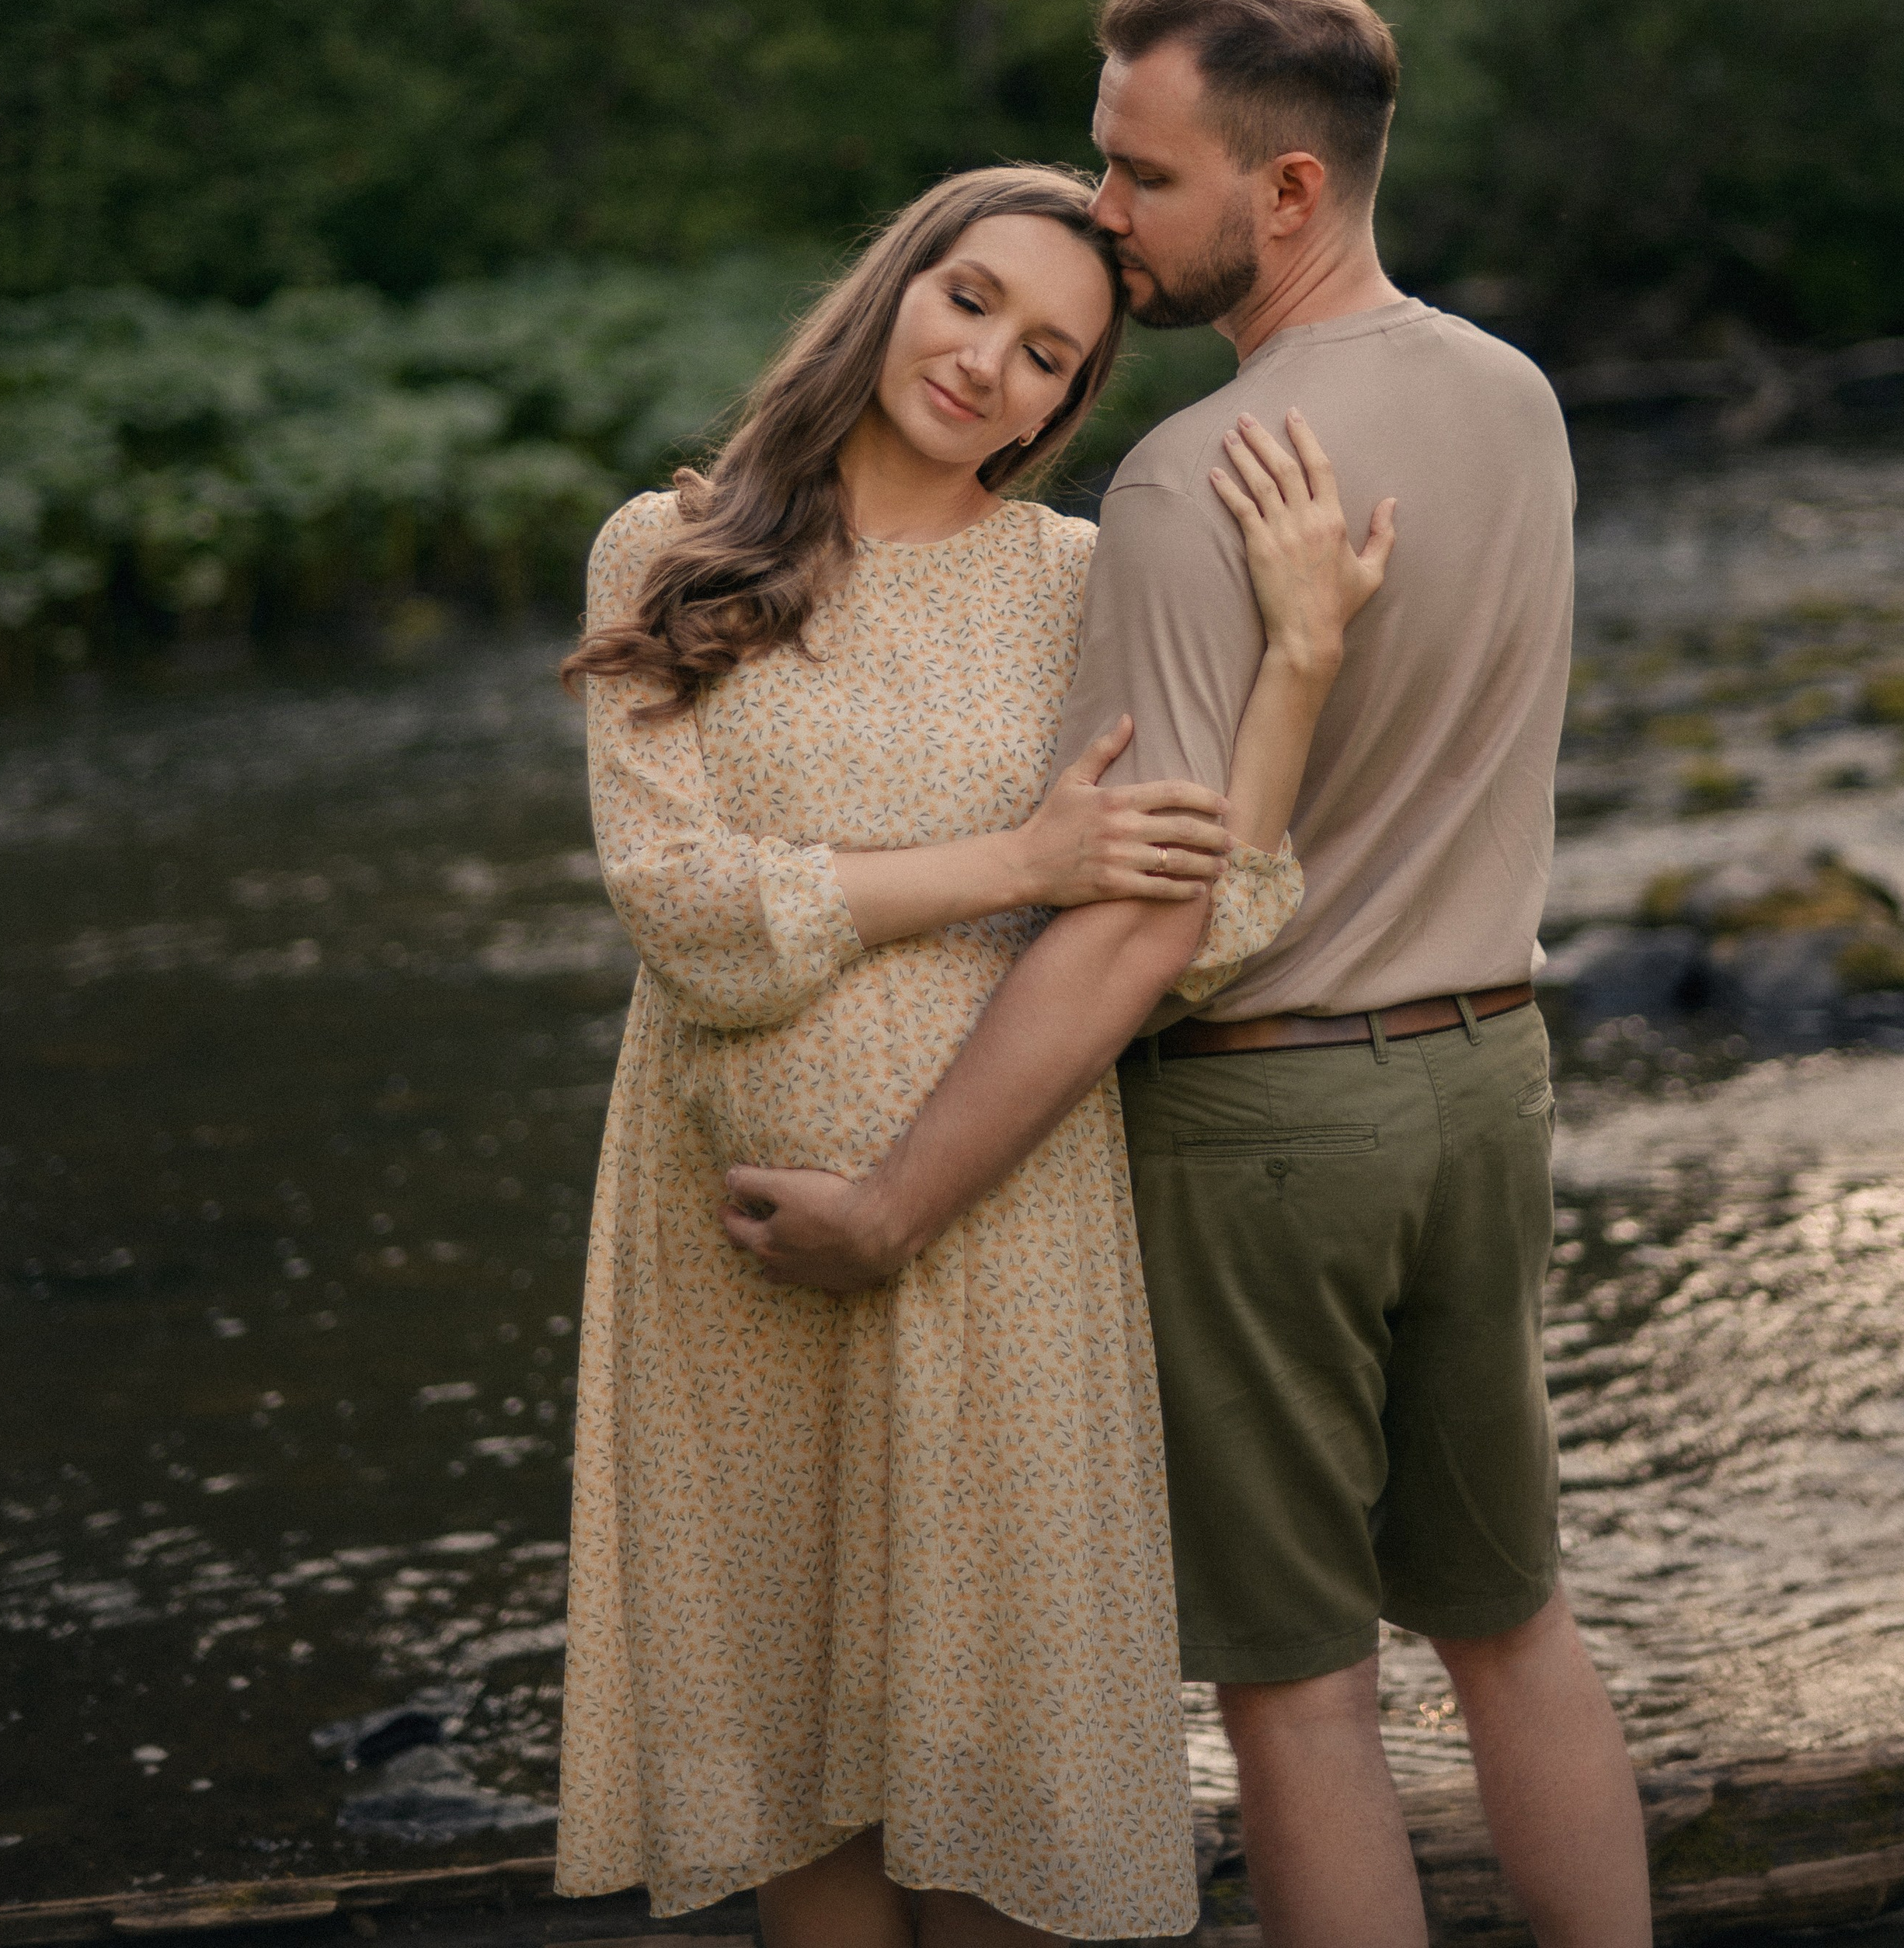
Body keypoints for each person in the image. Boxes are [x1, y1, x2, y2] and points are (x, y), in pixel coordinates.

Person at [725, 0, 1655, 1948]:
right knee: (1511, 1625)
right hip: (1486, 1077)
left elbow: (1138, 921)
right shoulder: (1509, 394)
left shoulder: (1180, 487)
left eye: (1141, 178)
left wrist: (892, 1203)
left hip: (1267, 1131)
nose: (1103, 218)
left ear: (1289, 191)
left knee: (1300, 1689)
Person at [552, 159, 1394, 1945]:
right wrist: (1015, 864)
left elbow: (1207, 915)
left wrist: (1299, 661)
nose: (988, 365)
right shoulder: (669, 546)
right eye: (970, 301)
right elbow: (682, 910)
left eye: (1049, 358)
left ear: (1069, 407)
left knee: (1007, 1808)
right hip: (735, 1270)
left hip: (1001, 1248)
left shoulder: (1083, 581)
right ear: (893, 286)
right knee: (806, 1799)